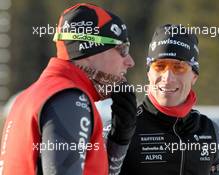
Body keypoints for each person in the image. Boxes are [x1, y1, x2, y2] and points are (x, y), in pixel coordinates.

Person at [0, 3, 137, 175]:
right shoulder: (69, 99)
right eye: (123, 49)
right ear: (91, 49)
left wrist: (118, 143)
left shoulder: (30, 96)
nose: (130, 62)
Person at [120, 24, 219, 175]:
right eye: (160, 66)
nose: (168, 78)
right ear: (148, 73)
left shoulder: (209, 130)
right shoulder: (122, 127)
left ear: (194, 77)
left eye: (179, 67)